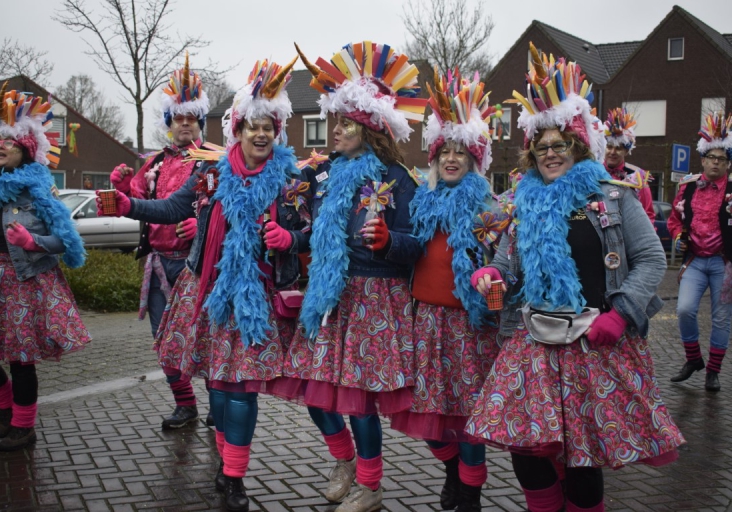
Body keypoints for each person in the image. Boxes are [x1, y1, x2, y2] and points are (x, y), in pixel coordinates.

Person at [467, 43, 684, 512]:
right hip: (535, 340)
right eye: (540, 147)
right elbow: (506, 264)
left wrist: (622, 314)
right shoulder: (522, 203)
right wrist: (488, 273)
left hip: (596, 339)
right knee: (528, 453)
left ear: (577, 146)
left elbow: (651, 259)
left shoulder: (615, 197)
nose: (549, 153)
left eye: (558, 144)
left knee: (584, 460)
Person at [98, 57, 305, 512]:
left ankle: (233, 476)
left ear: (278, 130)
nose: (260, 134)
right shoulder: (210, 172)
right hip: (211, 290)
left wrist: (289, 236)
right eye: (252, 126)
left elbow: (314, 232)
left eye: (268, 126)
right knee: (220, 385)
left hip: (260, 297)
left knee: (243, 389)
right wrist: (129, 204)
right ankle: (227, 457)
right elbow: (172, 209)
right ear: (238, 130)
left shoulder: (291, 181)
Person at [278, 42, 427, 512]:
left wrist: (389, 242)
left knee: (359, 403)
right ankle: (343, 460)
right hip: (330, 294)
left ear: (367, 127)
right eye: (335, 120)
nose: (335, 129)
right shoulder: (325, 175)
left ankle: (371, 485)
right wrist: (292, 239)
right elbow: (319, 233)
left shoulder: (397, 177)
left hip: (375, 298)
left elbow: (415, 243)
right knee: (315, 394)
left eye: (345, 122)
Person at [388, 69, 506, 512]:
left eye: (461, 152)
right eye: (445, 152)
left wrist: (494, 281)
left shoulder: (488, 206)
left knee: (467, 417)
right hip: (427, 322)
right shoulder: (421, 200)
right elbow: (409, 248)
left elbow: (503, 262)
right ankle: (453, 471)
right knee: (433, 421)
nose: (452, 159)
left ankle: (470, 493)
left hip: (470, 325)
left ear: (474, 160)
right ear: (435, 159)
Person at [0, 82, 90, 451]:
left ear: (27, 147)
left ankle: (23, 425)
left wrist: (33, 243)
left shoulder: (39, 190)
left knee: (21, 359)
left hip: (26, 282)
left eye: (11, 140)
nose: (1, 145)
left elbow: (67, 241)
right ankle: (6, 408)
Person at [109, 53, 212, 430]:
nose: (185, 125)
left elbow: (218, 210)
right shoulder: (154, 163)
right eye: (179, 118)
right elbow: (136, 199)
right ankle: (185, 405)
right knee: (163, 341)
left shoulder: (211, 161)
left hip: (195, 267)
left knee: (202, 339)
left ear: (200, 122)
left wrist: (198, 227)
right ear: (170, 123)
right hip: (157, 265)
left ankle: (219, 404)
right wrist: (121, 186)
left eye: (191, 119)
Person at [668, 111, 732, 392]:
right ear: (703, 159)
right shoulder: (689, 186)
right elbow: (674, 219)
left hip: (723, 262)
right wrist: (679, 236)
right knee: (684, 309)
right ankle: (693, 359)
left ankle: (713, 372)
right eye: (711, 158)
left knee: (721, 318)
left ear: (728, 163)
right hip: (694, 259)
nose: (716, 163)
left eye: (722, 159)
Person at [603, 107, 655, 223]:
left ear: (627, 151)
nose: (612, 152)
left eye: (618, 148)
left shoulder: (638, 177)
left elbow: (647, 215)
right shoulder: (593, 172)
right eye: (609, 147)